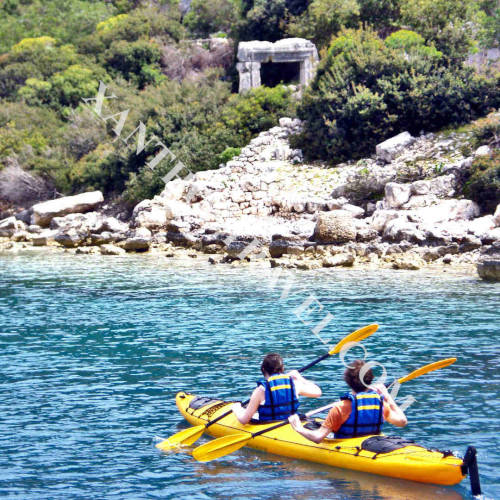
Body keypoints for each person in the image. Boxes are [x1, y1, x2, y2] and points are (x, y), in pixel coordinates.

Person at [288, 359, 407, 442]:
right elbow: (402, 422)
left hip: (349, 448)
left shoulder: (340, 408)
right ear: (370, 380)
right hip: (370, 444)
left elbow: (318, 437)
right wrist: (387, 396)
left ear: (347, 381)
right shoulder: (381, 404)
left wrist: (298, 427)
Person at [232, 353, 322, 424]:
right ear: (282, 368)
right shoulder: (294, 384)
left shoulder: (261, 390)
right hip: (292, 424)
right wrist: (300, 378)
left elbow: (244, 420)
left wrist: (236, 409)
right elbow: (318, 392)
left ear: (263, 369)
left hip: (269, 425)